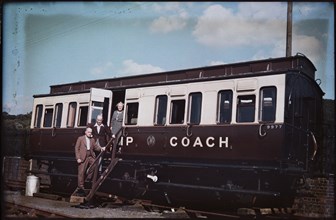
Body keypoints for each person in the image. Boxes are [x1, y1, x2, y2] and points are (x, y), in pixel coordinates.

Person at [75, 127, 105, 195]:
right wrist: (78, 158)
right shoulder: (80, 138)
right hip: (82, 157)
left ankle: (88, 178)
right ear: (85, 132)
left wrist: (101, 148)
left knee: (95, 164)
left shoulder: (92, 140)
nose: (90, 133)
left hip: (90, 156)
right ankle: (81, 187)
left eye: (91, 132)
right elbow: (77, 148)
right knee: (81, 172)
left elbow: (95, 147)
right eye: (88, 132)